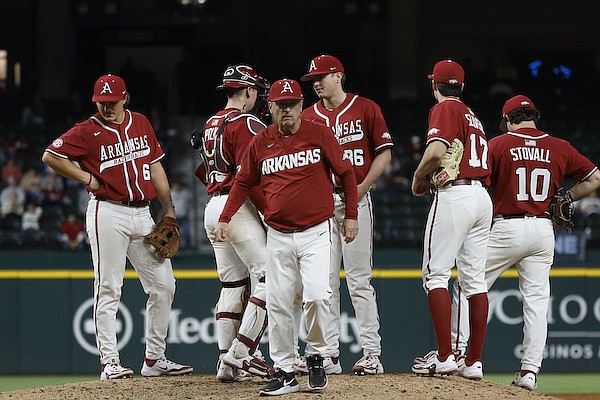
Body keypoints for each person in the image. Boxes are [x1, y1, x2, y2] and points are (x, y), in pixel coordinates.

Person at [42, 73, 192, 380]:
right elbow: (50, 155)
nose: (106, 108)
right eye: (101, 103)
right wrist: (86, 178)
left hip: (143, 213)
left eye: (111, 102)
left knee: (164, 285)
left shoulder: (141, 123)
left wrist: (169, 209)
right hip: (108, 212)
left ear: (125, 98)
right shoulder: (86, 130)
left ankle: (154, 359)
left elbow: (154, 166)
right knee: (109, 287)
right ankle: (110, 363)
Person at [215, 79, 358, 396]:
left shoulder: (318, 134)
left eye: (292, 104)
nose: (287, 110)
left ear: (301, 105)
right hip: (278, 233)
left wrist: (351, 215)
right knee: (278, 304)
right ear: (271, 108)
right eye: (281, 105)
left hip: (316, 231)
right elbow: (242, 183)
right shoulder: (261, 141)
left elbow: (346, 173)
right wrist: (225, 217)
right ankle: (284, 371)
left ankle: (316, 354)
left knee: (318, 295)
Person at [450, 95, 600, 389]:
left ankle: (459, 355)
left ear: (508, 119)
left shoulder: (498, 144)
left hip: (506, 226)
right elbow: (595, 178)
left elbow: (478, 181)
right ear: (534, 117)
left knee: (469, 285)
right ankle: (529, 372)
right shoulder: (559, 146)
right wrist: (568, 195)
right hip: (544, 229)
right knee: (536, 302)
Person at [300, 54, 393, 375]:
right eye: (312, 79)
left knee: (359, 280)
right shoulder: (308, 116)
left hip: (357, 200)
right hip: (322, 206)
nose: (315, 83)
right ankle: (328, 355)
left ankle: (372, 353)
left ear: (338, 76)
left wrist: (363, 188)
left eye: (321, 77)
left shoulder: (366, 107)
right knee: (324, 282)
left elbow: (384, 153)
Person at [411, 60, 492, 379]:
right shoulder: (474, 117)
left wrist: (419, 177)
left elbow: (434, 152)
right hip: (481, 196)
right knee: (474, 281)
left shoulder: (445, 109)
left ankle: (445, 356)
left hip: (455, 196)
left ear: (435, 85)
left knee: (435, 274)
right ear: (461, 86)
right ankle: (473, 362)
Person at [196, 64, 272, 382]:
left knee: (232, 285)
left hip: (213, 205)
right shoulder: (245, 122)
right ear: (248, 92)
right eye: (256, 91)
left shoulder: (211, 123)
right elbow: (248, 174)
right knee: (271, 280)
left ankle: (225, 363)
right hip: (237, 206)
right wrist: (268, 211)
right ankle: (243, 353)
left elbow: (204, 172)